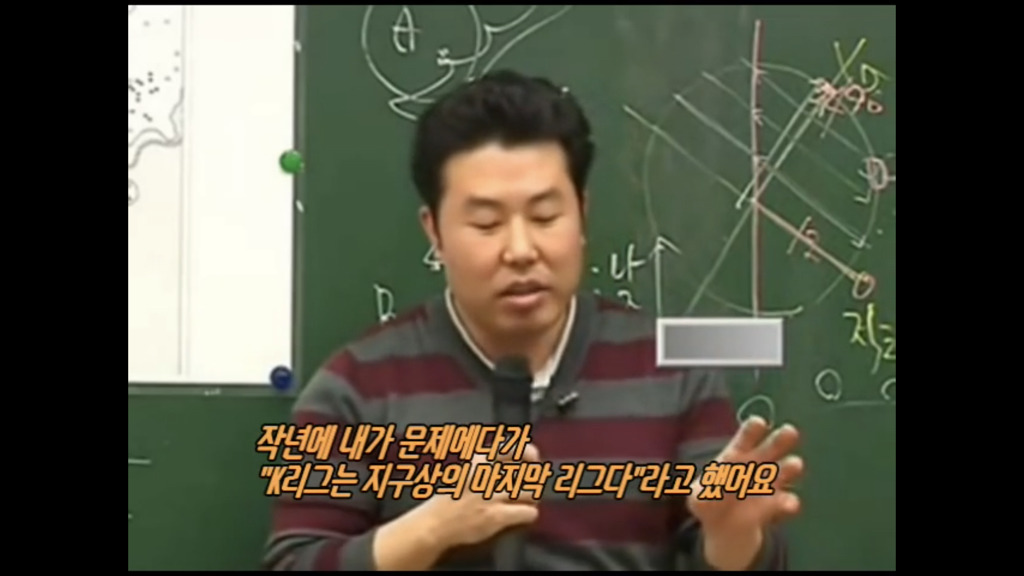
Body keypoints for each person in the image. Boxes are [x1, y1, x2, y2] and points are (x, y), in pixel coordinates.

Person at [263, 69, 803, 570]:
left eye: (545, 217)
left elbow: (743, 552)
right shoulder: (356, 386)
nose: (520, 250)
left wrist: (732, 537)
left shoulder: (674, 367)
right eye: (486, 223)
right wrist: (433, 528)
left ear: (582, 214)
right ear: (434, 232)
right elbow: (294, 561)